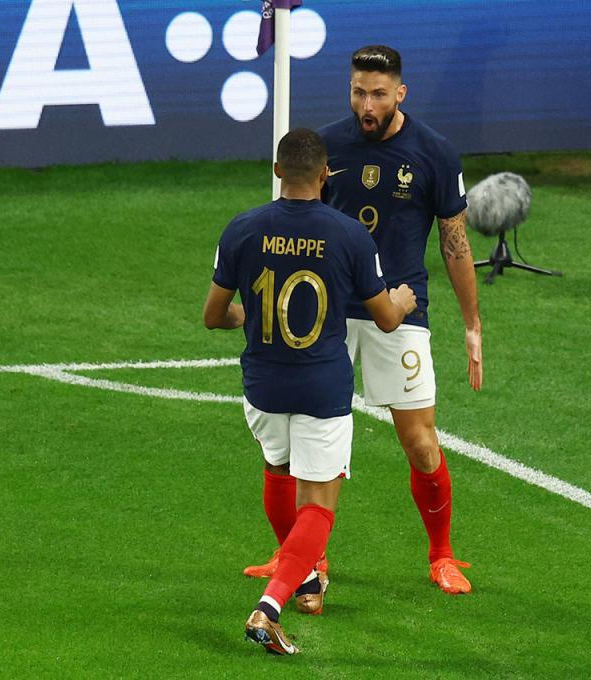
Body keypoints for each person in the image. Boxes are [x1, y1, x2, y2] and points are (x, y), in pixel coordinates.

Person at [243, 45, 484, 595]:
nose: (366, 103)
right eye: (358, 91)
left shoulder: (435, 154)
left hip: (398, 313)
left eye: (377, 93)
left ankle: (442, 555)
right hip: (328, 313)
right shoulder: (327, 149)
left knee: (420, 441)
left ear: (400, 93)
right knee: (287, 448)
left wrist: (472, 323)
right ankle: (301, 561)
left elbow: (455, 243)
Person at [204, 128, 416, 654]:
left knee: (278, 471)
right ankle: (269, 606)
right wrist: (406, 301)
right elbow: (386, 319)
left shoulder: (241, 228)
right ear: (325, 176)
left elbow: (213, 316)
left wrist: (246, 315)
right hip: (321, 387)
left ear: (278, 171)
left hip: (263, 384)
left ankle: (304, 577)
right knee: (319, 508)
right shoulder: (348, 235)